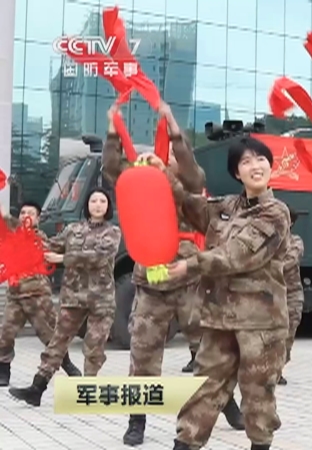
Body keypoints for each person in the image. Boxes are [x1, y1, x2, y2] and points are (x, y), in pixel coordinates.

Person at [100, 103, 243, 447]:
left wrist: (175, 135)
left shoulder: (187, 185)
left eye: (168, 157)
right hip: (151, 282)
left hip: (190, 279)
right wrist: (113, 130)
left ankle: (226, 403)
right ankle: (137, 420)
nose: (158, 161)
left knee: (207, 348)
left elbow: (193, 175)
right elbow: (111, 169)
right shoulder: (138, 181)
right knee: (143, 353)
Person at [162, 137, 290, 450]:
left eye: (261, 159)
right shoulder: (225, 207)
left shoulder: (276, 213)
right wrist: (162, 173)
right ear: (236, 172)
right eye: (246, 161)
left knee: (257, 398)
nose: (255, 166)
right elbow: (188, 204)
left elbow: (238, 255)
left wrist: (191, 264)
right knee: (203, 391)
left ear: (270, 166)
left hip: (260, 324)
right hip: (220, 319)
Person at [9, 188, 121, 406]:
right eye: (94, 200)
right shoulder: (73, 230)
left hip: (100, 298)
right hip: (73, 296)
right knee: (57, 342)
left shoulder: (112, 232)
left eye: (102, 201)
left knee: (94, 345)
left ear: (108, 206)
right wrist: (27, 238)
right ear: (87, 204)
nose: (98, 205)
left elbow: (98, 257)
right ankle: (37, 388)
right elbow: (50, 245)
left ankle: (89, 389)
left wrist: (63, 258)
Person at [0, 201, 82, 387]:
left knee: (50, 335)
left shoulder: (41, 238)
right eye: (22, 212)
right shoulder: (13, 235)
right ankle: (3, 371)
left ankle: (66, 363)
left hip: (38, 296)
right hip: (16, 296)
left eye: (30, 213)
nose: (25, 216)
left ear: (38, 219)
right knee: (6, 334)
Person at [279, 209, 304, 386]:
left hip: (290, 296)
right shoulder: (266, 241)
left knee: (287, 336)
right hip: (270, 296)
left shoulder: (295, 242)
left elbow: (289, 262)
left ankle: (278, 369)